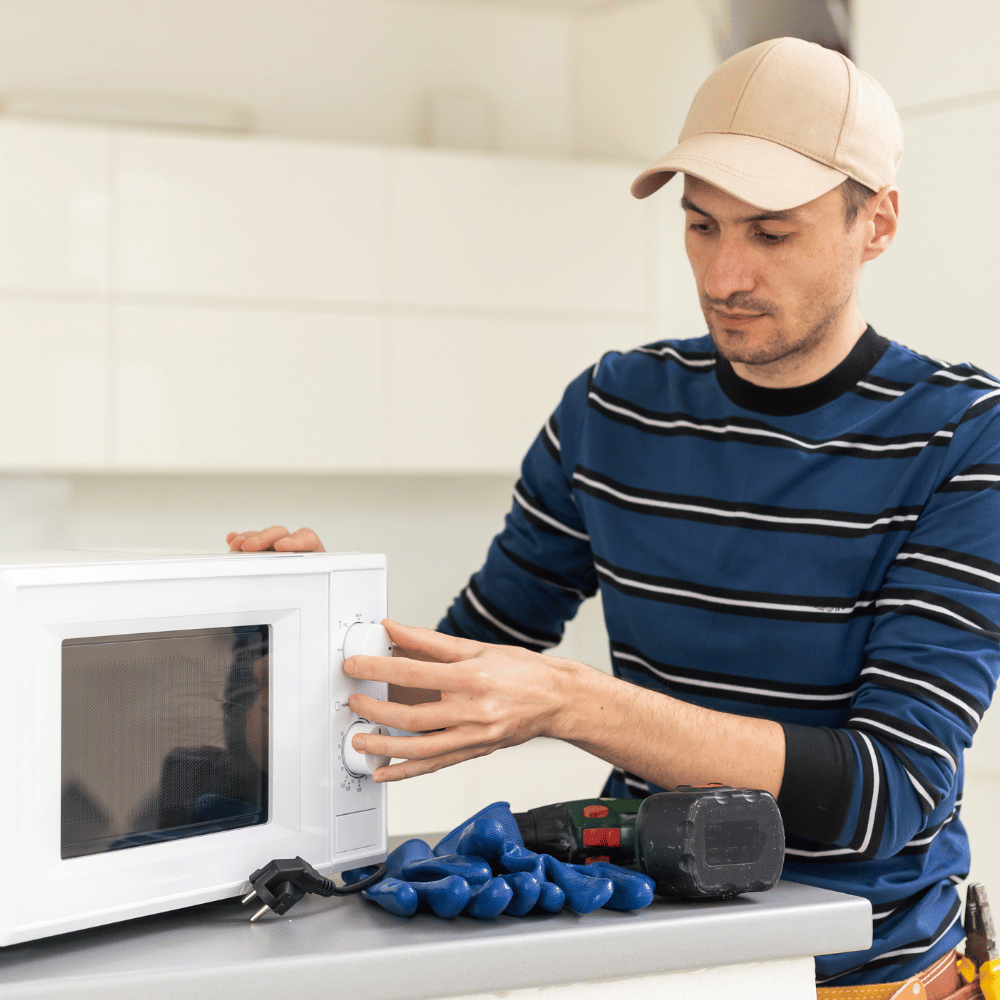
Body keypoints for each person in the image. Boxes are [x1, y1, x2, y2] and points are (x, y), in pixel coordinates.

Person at [227, 37, 1000, 995]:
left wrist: (575, 703)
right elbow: (455, 678)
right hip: (654, 958)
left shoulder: (966, 440)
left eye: (771, 233)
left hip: (862, 975)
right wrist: (300, 621)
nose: (724, 276)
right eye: (701, 226)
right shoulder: (612, 409)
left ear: (875, 224)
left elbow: (891, 789)